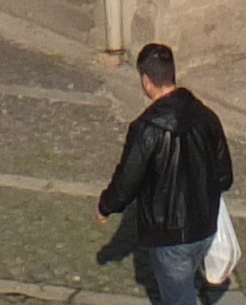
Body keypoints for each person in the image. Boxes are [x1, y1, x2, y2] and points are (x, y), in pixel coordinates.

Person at [93, 40, 233, 305]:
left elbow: (127, 181)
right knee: (186, 287)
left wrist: (105, 206)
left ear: (147, 81)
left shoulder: (146, 129)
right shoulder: (207, 117)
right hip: (205, 225)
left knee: (178, 299)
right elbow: (225, 177)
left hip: (169, 235)